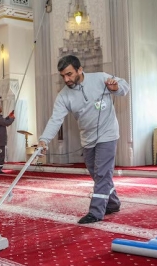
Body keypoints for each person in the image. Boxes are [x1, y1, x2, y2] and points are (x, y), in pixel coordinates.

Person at [38, 55, 130, 224]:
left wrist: (116, 87)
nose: (66, 79)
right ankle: (113, 203)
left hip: (108, 133)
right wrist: (44, 140)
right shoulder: (63, 96)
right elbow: (55, 120)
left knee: (102, 173)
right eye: (63, 76)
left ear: (80, 69)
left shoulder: (100, 78)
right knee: (96, 173)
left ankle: (96, 212)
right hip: (87, 138)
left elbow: (125, 86)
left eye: (69, 74)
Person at [0, 104, 15, 174]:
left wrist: (9, 116)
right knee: (0, 155)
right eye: (0, 107)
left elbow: (4, 120)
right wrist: (12, 118)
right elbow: (6, 123)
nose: (1, 107)